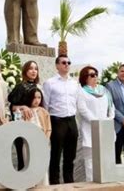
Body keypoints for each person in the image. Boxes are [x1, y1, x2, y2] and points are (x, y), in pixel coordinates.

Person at [42, 55, 80, 184]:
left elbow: (76, 102)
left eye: (69, 62)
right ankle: (55, 183)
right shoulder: (49, 83)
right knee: (56, 154)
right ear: (57, 65)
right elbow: (45, 104)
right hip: (57, 121)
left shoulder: (75, 83)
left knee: (71, 155)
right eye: (63, 62)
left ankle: (69, 182)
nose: (67, 64)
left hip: (71, 120)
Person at [77, 66, 114, 182]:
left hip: (105, 128)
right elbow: (82, 109)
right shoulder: (82, 92)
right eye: (92, 75)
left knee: (105, 160)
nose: (95, 77)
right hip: (90, 129)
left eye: (96, 74)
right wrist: (96, 122)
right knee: (91, 162)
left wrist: (109, 118)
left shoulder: (104, 90)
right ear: (85, 78)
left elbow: (111, 107)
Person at [8, 60, 39, 170]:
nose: (33, 71)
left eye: (35, 69)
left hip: (35, 124)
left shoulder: (37, 86)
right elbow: (12, 106)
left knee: (34, 156)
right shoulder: (20, 87)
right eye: (30, 68)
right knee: (22, 156)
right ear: (25, 71)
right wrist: (23, 107)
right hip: (21, 125)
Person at [24, 86, 51, 185]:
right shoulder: (24, 111)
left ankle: (43, 187)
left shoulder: (44, 112)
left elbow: (48, 128)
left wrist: (46, 140)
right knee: (29, 165)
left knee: (42, 166)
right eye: (34, 97)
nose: (36, 100)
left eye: (39, 98)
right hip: (28, 142)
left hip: (41, 141)